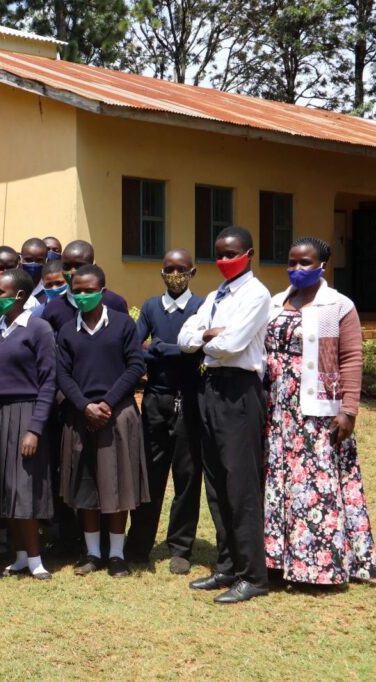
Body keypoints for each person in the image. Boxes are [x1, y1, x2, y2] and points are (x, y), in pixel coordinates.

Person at [263, 237, 375, 585]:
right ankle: (275, 560)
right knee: (278, 479)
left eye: (305, 262)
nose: (296, 268)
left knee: (314, 483)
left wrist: (349, 410)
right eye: (291, 262)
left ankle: (317, 566)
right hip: (275, 409)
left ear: (323, 265)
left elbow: (351, 358)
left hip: (317, 410)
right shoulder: (275, 302)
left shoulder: (338, 305)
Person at [178, 225, 271, 604]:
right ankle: (227, 565)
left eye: (231, 254)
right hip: (211, 388)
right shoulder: (216, 294)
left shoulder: (257, 294)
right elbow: (185, 339)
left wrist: (207, 338)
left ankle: (253, 575)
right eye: (218, 254)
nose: (224, 260)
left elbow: (233, 344)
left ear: (249, 254)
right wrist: (207, 336)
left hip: (240, 391)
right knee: (215, 481)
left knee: (240, 483)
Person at [56, 264, 148, 578]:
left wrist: (107, 403)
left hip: (117, 414)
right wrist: (85, 406)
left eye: (89, 290)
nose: (82, 295)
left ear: (103, 291)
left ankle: (117, 555)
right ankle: (93, 553)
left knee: (117, 484)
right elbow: (62, 374)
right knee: (86, 486)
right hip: (81, 415)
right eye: (77, 290)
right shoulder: (67, 330)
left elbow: (135, 365)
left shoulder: (123, 324)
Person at [125, 249, 204, 575]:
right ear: (161, 272)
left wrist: (157, 347)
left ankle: (181, 548)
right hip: (155, 400)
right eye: (169, 269)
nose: (175, 275)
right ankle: (139, 543)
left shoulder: (202, 307)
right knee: (150, 473)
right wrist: (179, 351)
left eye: (181, 269)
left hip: (189, 400)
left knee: (187, 475)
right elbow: (135, 346)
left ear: (192, 272)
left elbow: (200, 351)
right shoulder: (151, 307)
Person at [0, 268, 57, 576]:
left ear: (19, 296)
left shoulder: (38, 329)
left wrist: (34, 428)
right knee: (4, 486)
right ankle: (21, 555)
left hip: (25, 412)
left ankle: (36, 560)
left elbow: (49, 381)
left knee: (23, 488)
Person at [41, 240, 128, 334]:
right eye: (66, 266)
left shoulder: (115, 303)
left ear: (93, 266)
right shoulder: (53, 308)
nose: (72, 272)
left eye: (79, 266)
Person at [19, 238, 49, 311]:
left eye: (39, 260)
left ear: (46, 261)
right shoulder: (12, 289)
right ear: (20, 259)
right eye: (28, 260)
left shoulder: (50, 291)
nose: (33, 264)